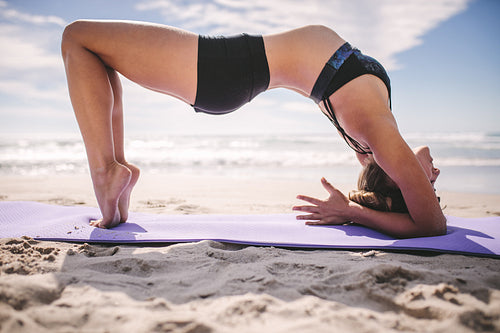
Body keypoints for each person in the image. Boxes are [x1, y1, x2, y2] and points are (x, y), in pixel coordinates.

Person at [61, 20, 446, 237]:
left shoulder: (380, 136)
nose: (435, 172)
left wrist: (353, 211)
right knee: (97, 54)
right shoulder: (368, 145)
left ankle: (104, 173)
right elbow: (403, 201)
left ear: (401, 177)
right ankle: (115, 174)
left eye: (428, 181)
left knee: (77, 38)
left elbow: (431, 223)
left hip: (227, 66)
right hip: (233, 66)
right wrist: (365, 204)